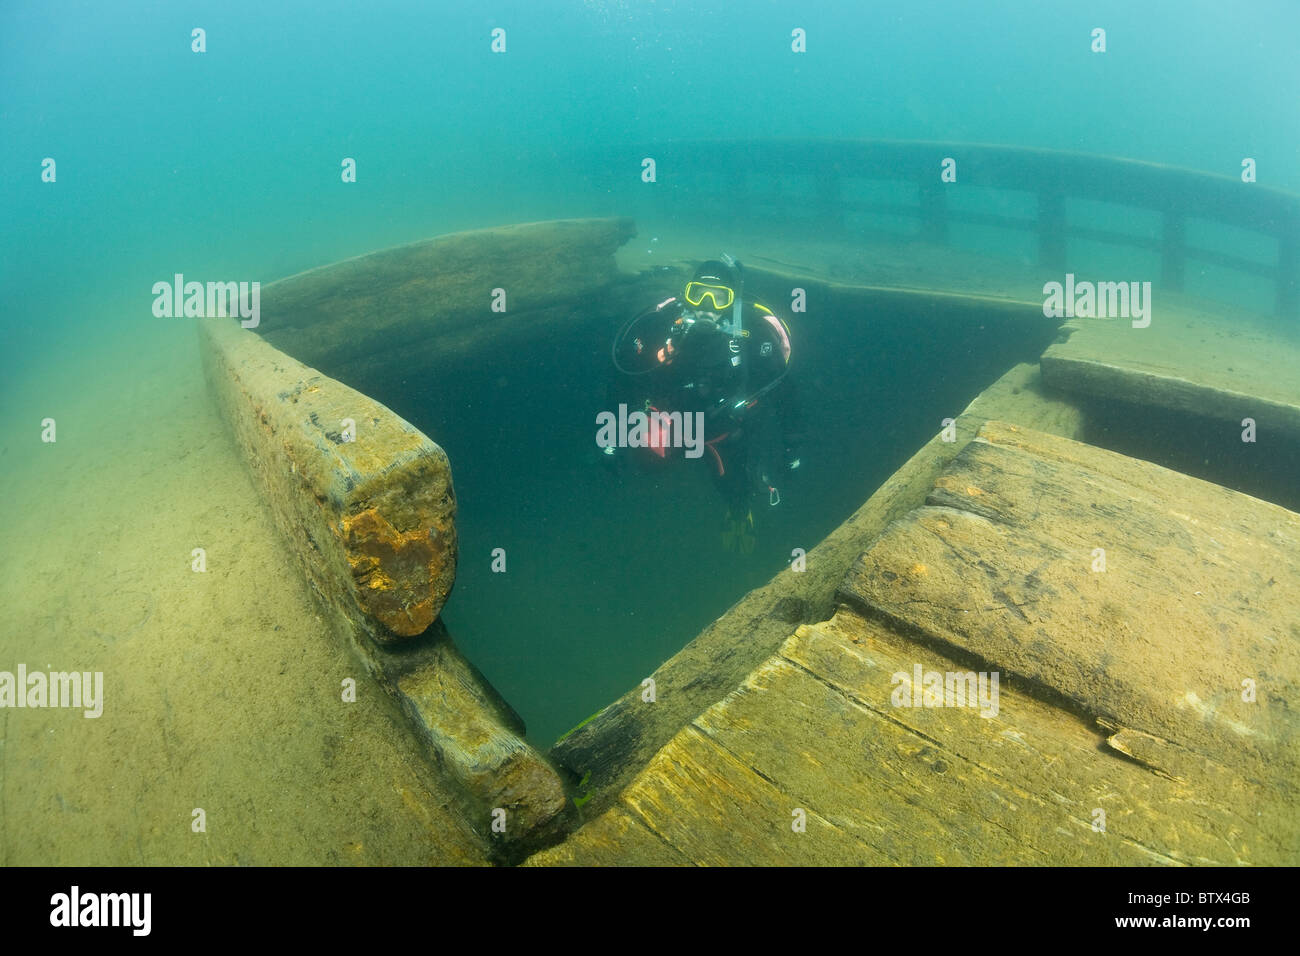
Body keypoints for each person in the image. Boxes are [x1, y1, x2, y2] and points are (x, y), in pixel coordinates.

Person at [605, 255, 803, 552]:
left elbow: (785, 393)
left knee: (736, 489)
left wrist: (792, 448)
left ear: (732, 302)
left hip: (725, 433)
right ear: (687, 294)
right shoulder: (665, 324)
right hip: (673, 422)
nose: (708, 305)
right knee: (648, 464)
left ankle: (739, 508)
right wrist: (614, 440)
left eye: (719, 298)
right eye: (699, 294)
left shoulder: (753, 333)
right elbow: (624, 377)